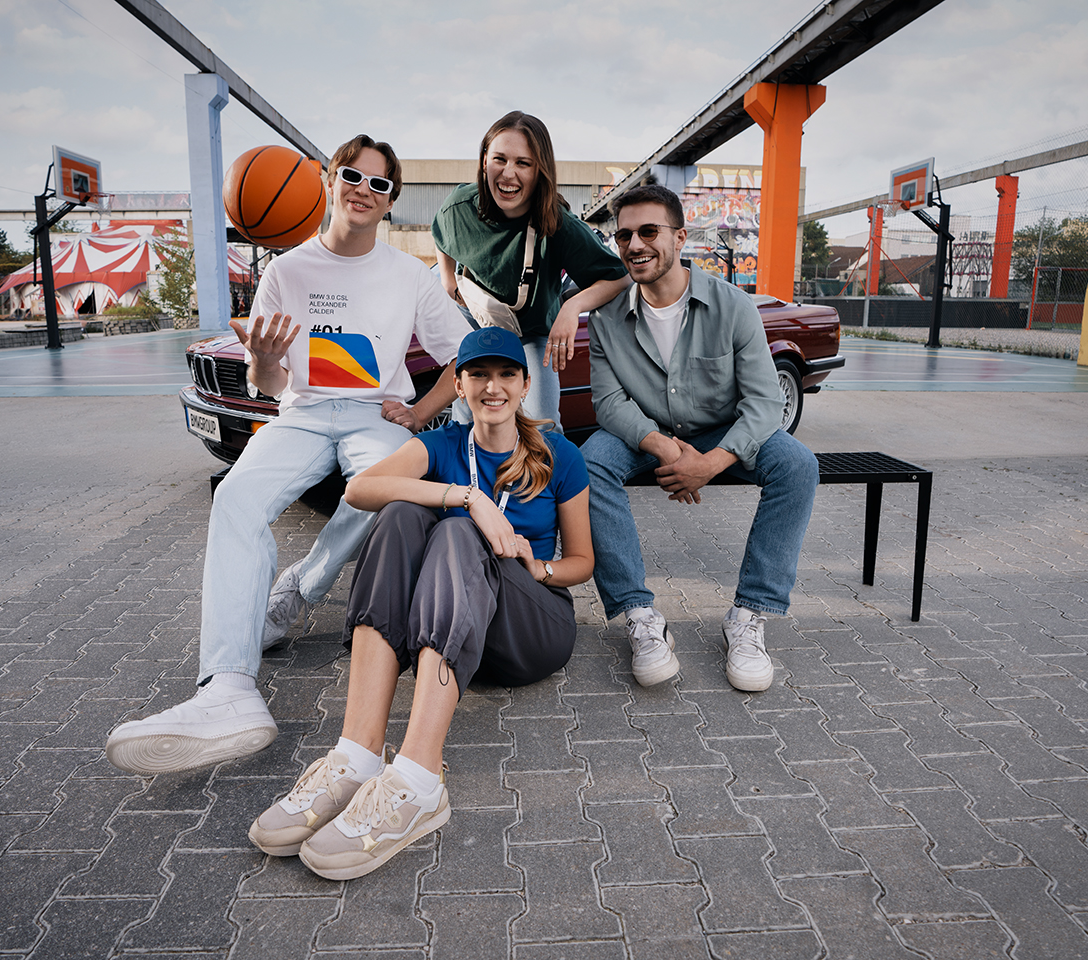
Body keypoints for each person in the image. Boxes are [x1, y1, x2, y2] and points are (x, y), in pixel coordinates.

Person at [105, 135, 470, 776]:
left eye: (379, 183)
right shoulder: (287, 271)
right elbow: (268, 386)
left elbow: (464, 354)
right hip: (300, 412)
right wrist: (266, 362)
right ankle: (228, 689)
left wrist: (416, 411)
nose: (363, 188)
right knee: (237, 498)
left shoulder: (408, 274)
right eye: (352, 175)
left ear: (390, 203)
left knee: (383, 490)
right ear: (329, 181)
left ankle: (301, 587)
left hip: (372, 415)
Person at [247, 327, 593, 880]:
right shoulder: (441, 447)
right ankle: (357, 755)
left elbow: (582, 562)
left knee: (455, 536)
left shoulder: (561, 457)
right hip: (457, 630)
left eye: (506, 374)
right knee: (402, 514)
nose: (492, 386)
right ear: (458, 385)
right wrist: (467, 497)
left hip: (533, 629)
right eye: (478, 374)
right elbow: (360, 489)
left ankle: (417, 780)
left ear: (525, 384)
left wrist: (536, 566)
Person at [582, 184, 818, 690]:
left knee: (797, 464)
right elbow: (608, 403)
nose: (635, 244)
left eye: (649, 231)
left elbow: (763, 403)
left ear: (680, 237)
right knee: (588, 463)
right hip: (643, 434)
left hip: (722, 430)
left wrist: (711, 462)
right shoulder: (605, 317)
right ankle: (639, 615)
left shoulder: (733, 306)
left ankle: (749, 615)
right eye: (624, 235)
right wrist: (665, 447)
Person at [431, 111, 629, 432]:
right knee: (467, 420)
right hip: (475, 324)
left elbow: (618, 277)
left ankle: (544, 480)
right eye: (500, 159)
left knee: (543, 427)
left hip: (532, 332)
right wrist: (447, 277)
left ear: (540, 171)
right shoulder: (459, 206)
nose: (508, 174)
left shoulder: (559, 225)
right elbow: (440, 232)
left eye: (523, 163)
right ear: (484, 161)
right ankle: (469, 480)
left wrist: (572, 307)